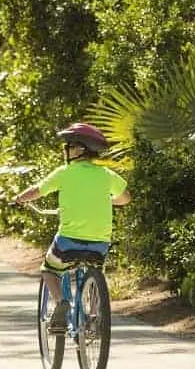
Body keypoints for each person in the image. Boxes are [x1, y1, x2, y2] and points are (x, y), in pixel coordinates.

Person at [14, 123, 131, 332]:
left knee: (49, 269)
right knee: (96, 270)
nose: (66, 150)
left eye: (69, 146)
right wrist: (105, 200)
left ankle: (60, 302)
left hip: (68, 241)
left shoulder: (65, 173)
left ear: (79, 149)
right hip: (100, 242)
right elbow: (125, 198)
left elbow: (37, 191)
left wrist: (20, 198)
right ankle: (94, 314)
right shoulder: (105, 174)